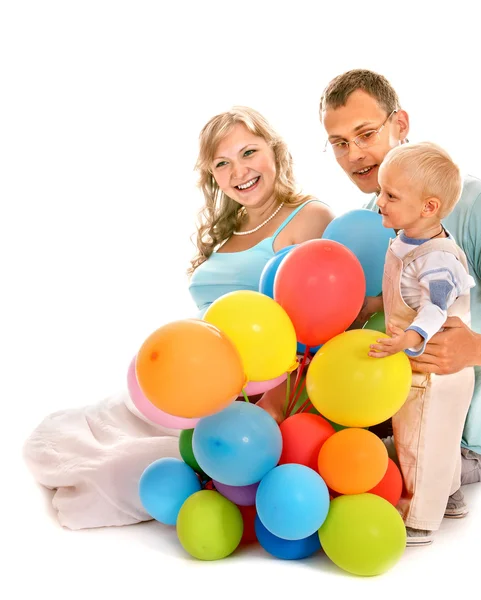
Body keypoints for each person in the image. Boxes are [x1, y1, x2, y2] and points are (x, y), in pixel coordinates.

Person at [22, 106, 334, 530]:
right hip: (192, 383)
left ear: (275, 150)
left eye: (248, 152)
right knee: (67, 436)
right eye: (222, 163)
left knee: (117, 472)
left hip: (251, 397)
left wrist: (269, 413)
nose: (238, 171)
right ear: (212, 175)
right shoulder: (231, 224)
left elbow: (315, 330)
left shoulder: (309, 217)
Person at [320, 69, 481, 545]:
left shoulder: (479, 203)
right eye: (338, 142)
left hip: (459, 435)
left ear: (400, 124)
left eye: (365, 134)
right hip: (395, 403)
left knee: (336, 469)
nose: (354, 154)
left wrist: (472, 349)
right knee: (313, 442)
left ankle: (430, 508)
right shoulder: (373, 220)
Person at [366, 141, 476, 545]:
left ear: (428, 208)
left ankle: (418, 517)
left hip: (433, 363)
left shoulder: (438, 258)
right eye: (381, 191)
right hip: (420, 361)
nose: (379, 201)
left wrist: (406, 341)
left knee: (420, 440)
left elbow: (434, 309)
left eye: (390, 196)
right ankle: (450, 496)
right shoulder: (408, 237)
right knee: (437, 435)